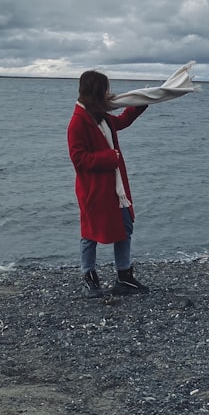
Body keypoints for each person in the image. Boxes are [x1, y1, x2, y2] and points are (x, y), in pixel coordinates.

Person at [67, 70, 150, 297]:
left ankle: (124, 277)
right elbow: (79, 160)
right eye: (105, 89)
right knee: (90, 233)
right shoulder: (78, 122)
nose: (108, 93)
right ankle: (89, 277)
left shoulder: (100, 116)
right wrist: (109, 157)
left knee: (125, 227)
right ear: (95, 92)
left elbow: (122, 121)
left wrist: (142, 102)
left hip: (114, 189)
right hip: (94, 190)